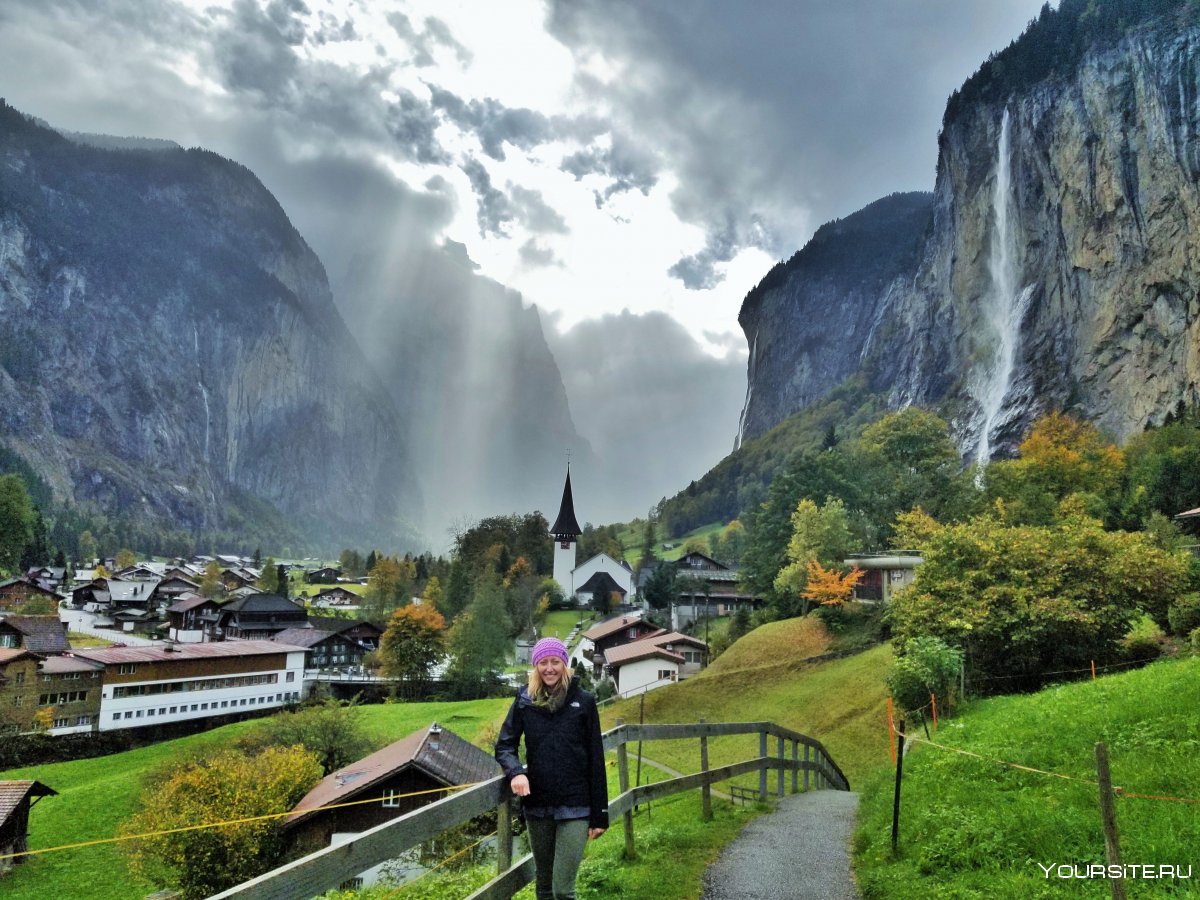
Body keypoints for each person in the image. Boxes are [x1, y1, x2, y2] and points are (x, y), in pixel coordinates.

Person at [495, 636, 608, 900]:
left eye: (555, 662)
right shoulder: (525, 700)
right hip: (538, 805)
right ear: (536, 666)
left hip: (576, 806)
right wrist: (516, 772)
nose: (549, 668)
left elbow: (596, 758)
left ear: (564, 665)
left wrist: (600, 815)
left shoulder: (584, 701)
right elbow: (504, 745)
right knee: (544, 888)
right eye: (543, 663)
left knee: (562, 891)